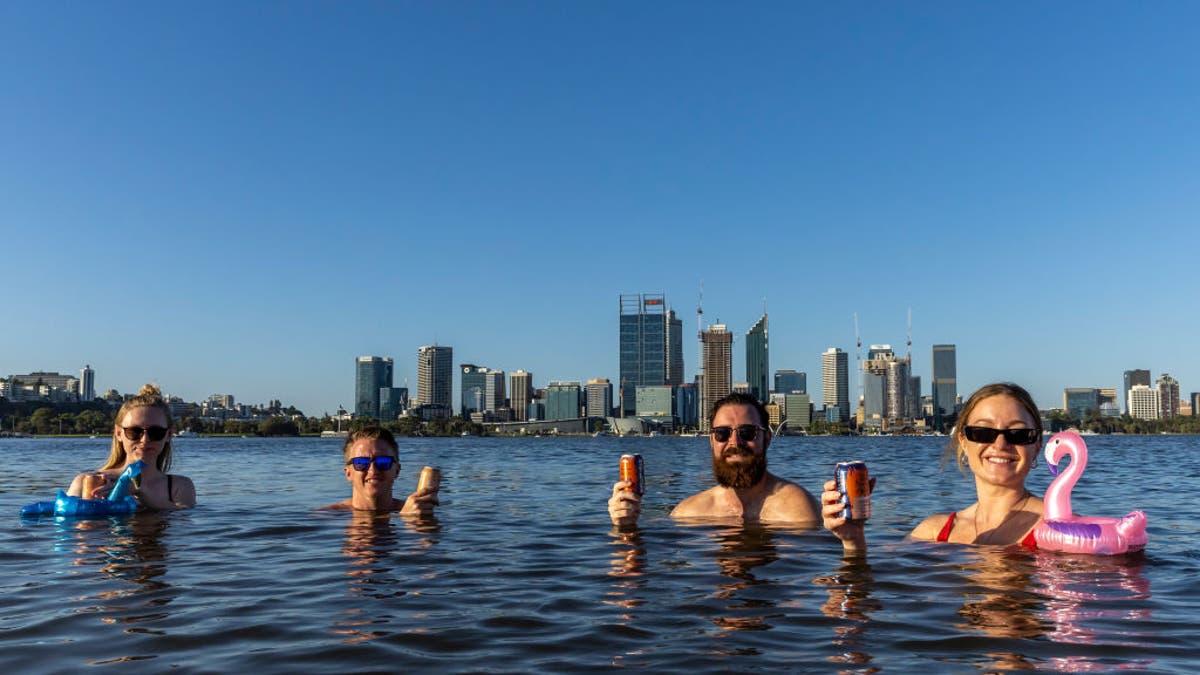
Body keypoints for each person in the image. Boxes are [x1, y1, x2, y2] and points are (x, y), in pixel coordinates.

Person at [823, 382, 1044, 554]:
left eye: (1018, 434)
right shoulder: (934, 532)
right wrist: (854, 540)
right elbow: (881, 592)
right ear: (964, 442)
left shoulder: (1060, 528)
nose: (1000, 445)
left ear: (1037, 445)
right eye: (983, 433)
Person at [608, 392, 821, 527]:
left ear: (766, 438)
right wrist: (625, 527)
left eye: (747, 432)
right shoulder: (688, 513)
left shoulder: (798, 510)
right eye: (722, 433)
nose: (734, 442)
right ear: (712, 441)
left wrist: (853, 544)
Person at [66, 383, 196, 510]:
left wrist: (142, 493)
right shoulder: (87, 481)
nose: (145, 440)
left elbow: (183, 519)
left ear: (168, 435)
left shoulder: (179, 486)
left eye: (156, 432)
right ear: (118, 433)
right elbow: (75, 528)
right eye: (134, 432)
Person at [323, 426, 438, 515]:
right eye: (361, 463)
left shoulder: (415, 510)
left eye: (383, 462)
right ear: (348, 473)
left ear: (397, 471)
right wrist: (403, 517)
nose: (373, 470)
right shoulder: (328, 515)